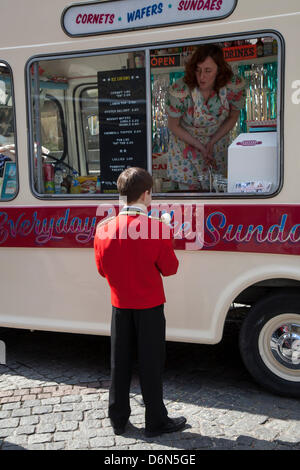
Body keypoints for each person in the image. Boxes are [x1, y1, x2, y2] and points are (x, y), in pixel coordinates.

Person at [94, 167, 186, 437]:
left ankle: (118, 418)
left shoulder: (104, 229)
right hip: (149, 306)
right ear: (146, 194)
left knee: (118, 363)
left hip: (119, 305)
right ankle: (156, 421)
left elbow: (102, 270)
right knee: (151, 363)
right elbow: (170, 269)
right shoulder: (157, 228)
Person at [166, 43, 246, 191]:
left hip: (216, 144)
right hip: (186, 148)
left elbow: (233, 117)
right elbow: (173, 125)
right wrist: (200, 146)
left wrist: (212, 142)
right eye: (198, 70)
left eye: (208, 71)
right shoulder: (181, 90)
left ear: (219, 70)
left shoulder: (233, 86)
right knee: (190, 199)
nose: (202, 77)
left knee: (217, 191)